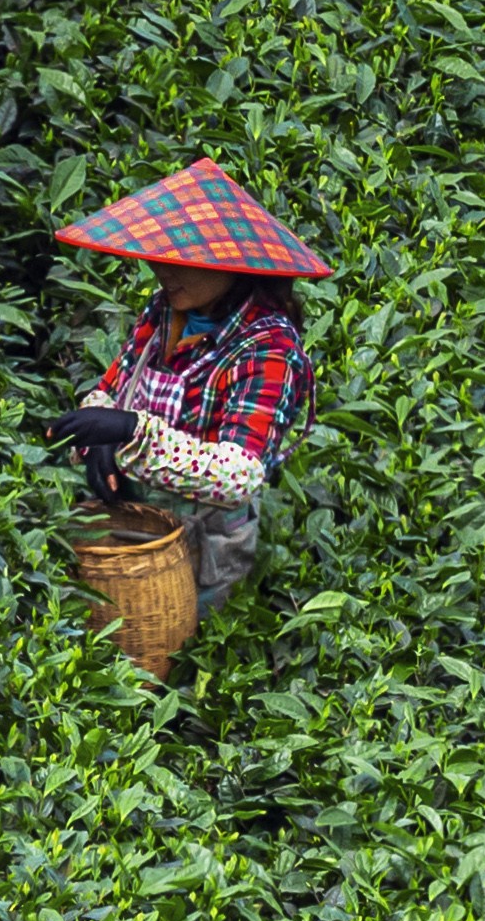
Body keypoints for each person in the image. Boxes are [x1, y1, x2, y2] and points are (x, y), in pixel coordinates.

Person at [36, 160, 327, 616]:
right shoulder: (165, 312)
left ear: (235, 264)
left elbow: (239, 475)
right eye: (159, 257)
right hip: (136, 520)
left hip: (206, 544)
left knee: (183, 652)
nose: (163, 271)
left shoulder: (268, 349)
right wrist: (101, 441)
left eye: (182, 262)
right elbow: (113, 385)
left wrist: (132, 432)